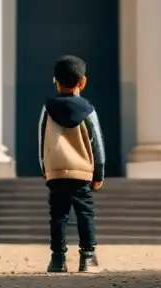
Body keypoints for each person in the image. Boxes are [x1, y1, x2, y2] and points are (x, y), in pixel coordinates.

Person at [37, 54, 106, 273]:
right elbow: (98, 146)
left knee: (58, 216)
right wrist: (99, 175)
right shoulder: (89, 110)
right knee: (85, 215)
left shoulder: (47, 109)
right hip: (82, 172)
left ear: (55, 81)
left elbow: (41, 141)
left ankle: (58, 259)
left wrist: (45, 170)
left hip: (56, 172)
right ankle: (88, 257)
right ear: (82, 82)